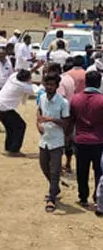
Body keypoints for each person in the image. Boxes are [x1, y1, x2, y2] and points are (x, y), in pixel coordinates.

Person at [68, 71, 103, 209]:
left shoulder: (75, 99)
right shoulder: (101, 100)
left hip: (81, 140)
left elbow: (71, 120)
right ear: (99, 83)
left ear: (86, 82)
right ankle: (97, 196)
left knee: (82, 171)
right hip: (99, 141)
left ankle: (83, 197)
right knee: (99, 171)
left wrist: (68, 138)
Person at [36, 72, 70, 213]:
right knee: (44, 167)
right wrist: (38, 124)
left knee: (55, 170)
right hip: (44, 140)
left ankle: (51, 198)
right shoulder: (42, 97)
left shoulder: (63, 102)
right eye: (47, 84)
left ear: (57, 86)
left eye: (52, 84)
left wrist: (50, 120)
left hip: (57, 141)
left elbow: (66, 123)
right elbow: (38, 111)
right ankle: (55, 188)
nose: (49, 87)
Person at [0, 67, 44, 156]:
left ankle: (9, 148)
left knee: (10, 128)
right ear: (26, 80)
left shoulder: (13, 77)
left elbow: (27, 72)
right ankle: (14, 150)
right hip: (4, 108)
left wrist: (36, 67)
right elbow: (40, 90)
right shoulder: (23, 86)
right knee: (21, 125)